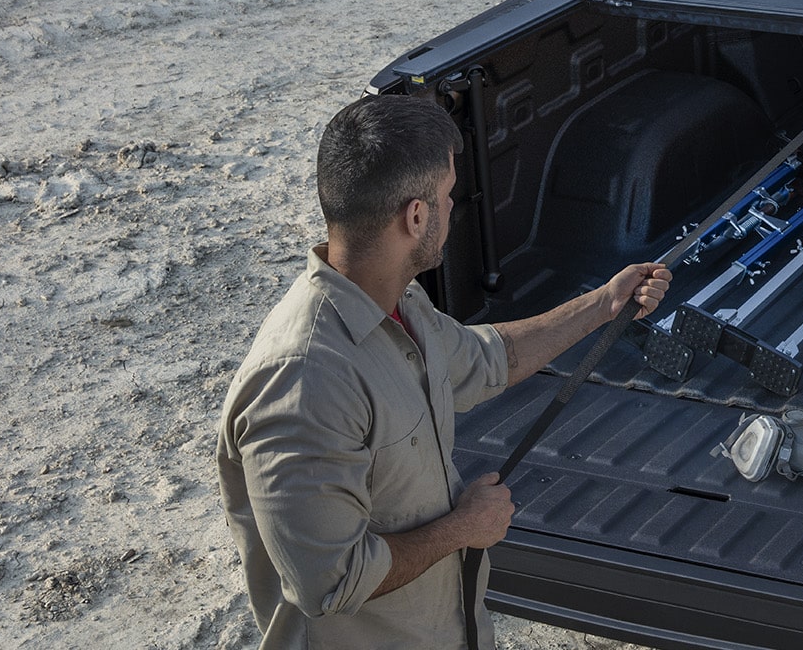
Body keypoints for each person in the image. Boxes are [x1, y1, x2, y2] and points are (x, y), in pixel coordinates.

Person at [217, 95, 670, 649]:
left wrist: (603, 303)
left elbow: (489, 357)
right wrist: (461, 528)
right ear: (415, 216)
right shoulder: (304, 383)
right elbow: (329, 583)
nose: (453, 207)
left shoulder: (398, 303)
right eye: (448, 196)